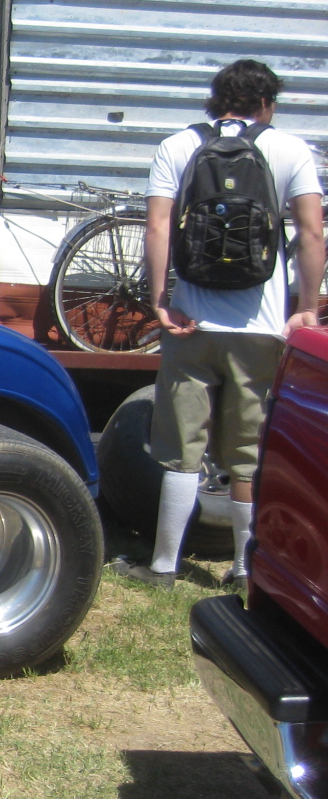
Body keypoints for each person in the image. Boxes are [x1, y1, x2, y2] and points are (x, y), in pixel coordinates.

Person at [116, 59, 325, 588]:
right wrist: (306, 305)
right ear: (266, 103)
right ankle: (244, 565)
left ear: (215, 100)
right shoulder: (291, 149)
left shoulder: (178, 146)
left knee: (183, 448)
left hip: (191, 323)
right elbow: (310, 233)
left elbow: (159, 225)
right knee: (248, 453)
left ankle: (164, 563)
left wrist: (163, 298)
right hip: (260, 327)